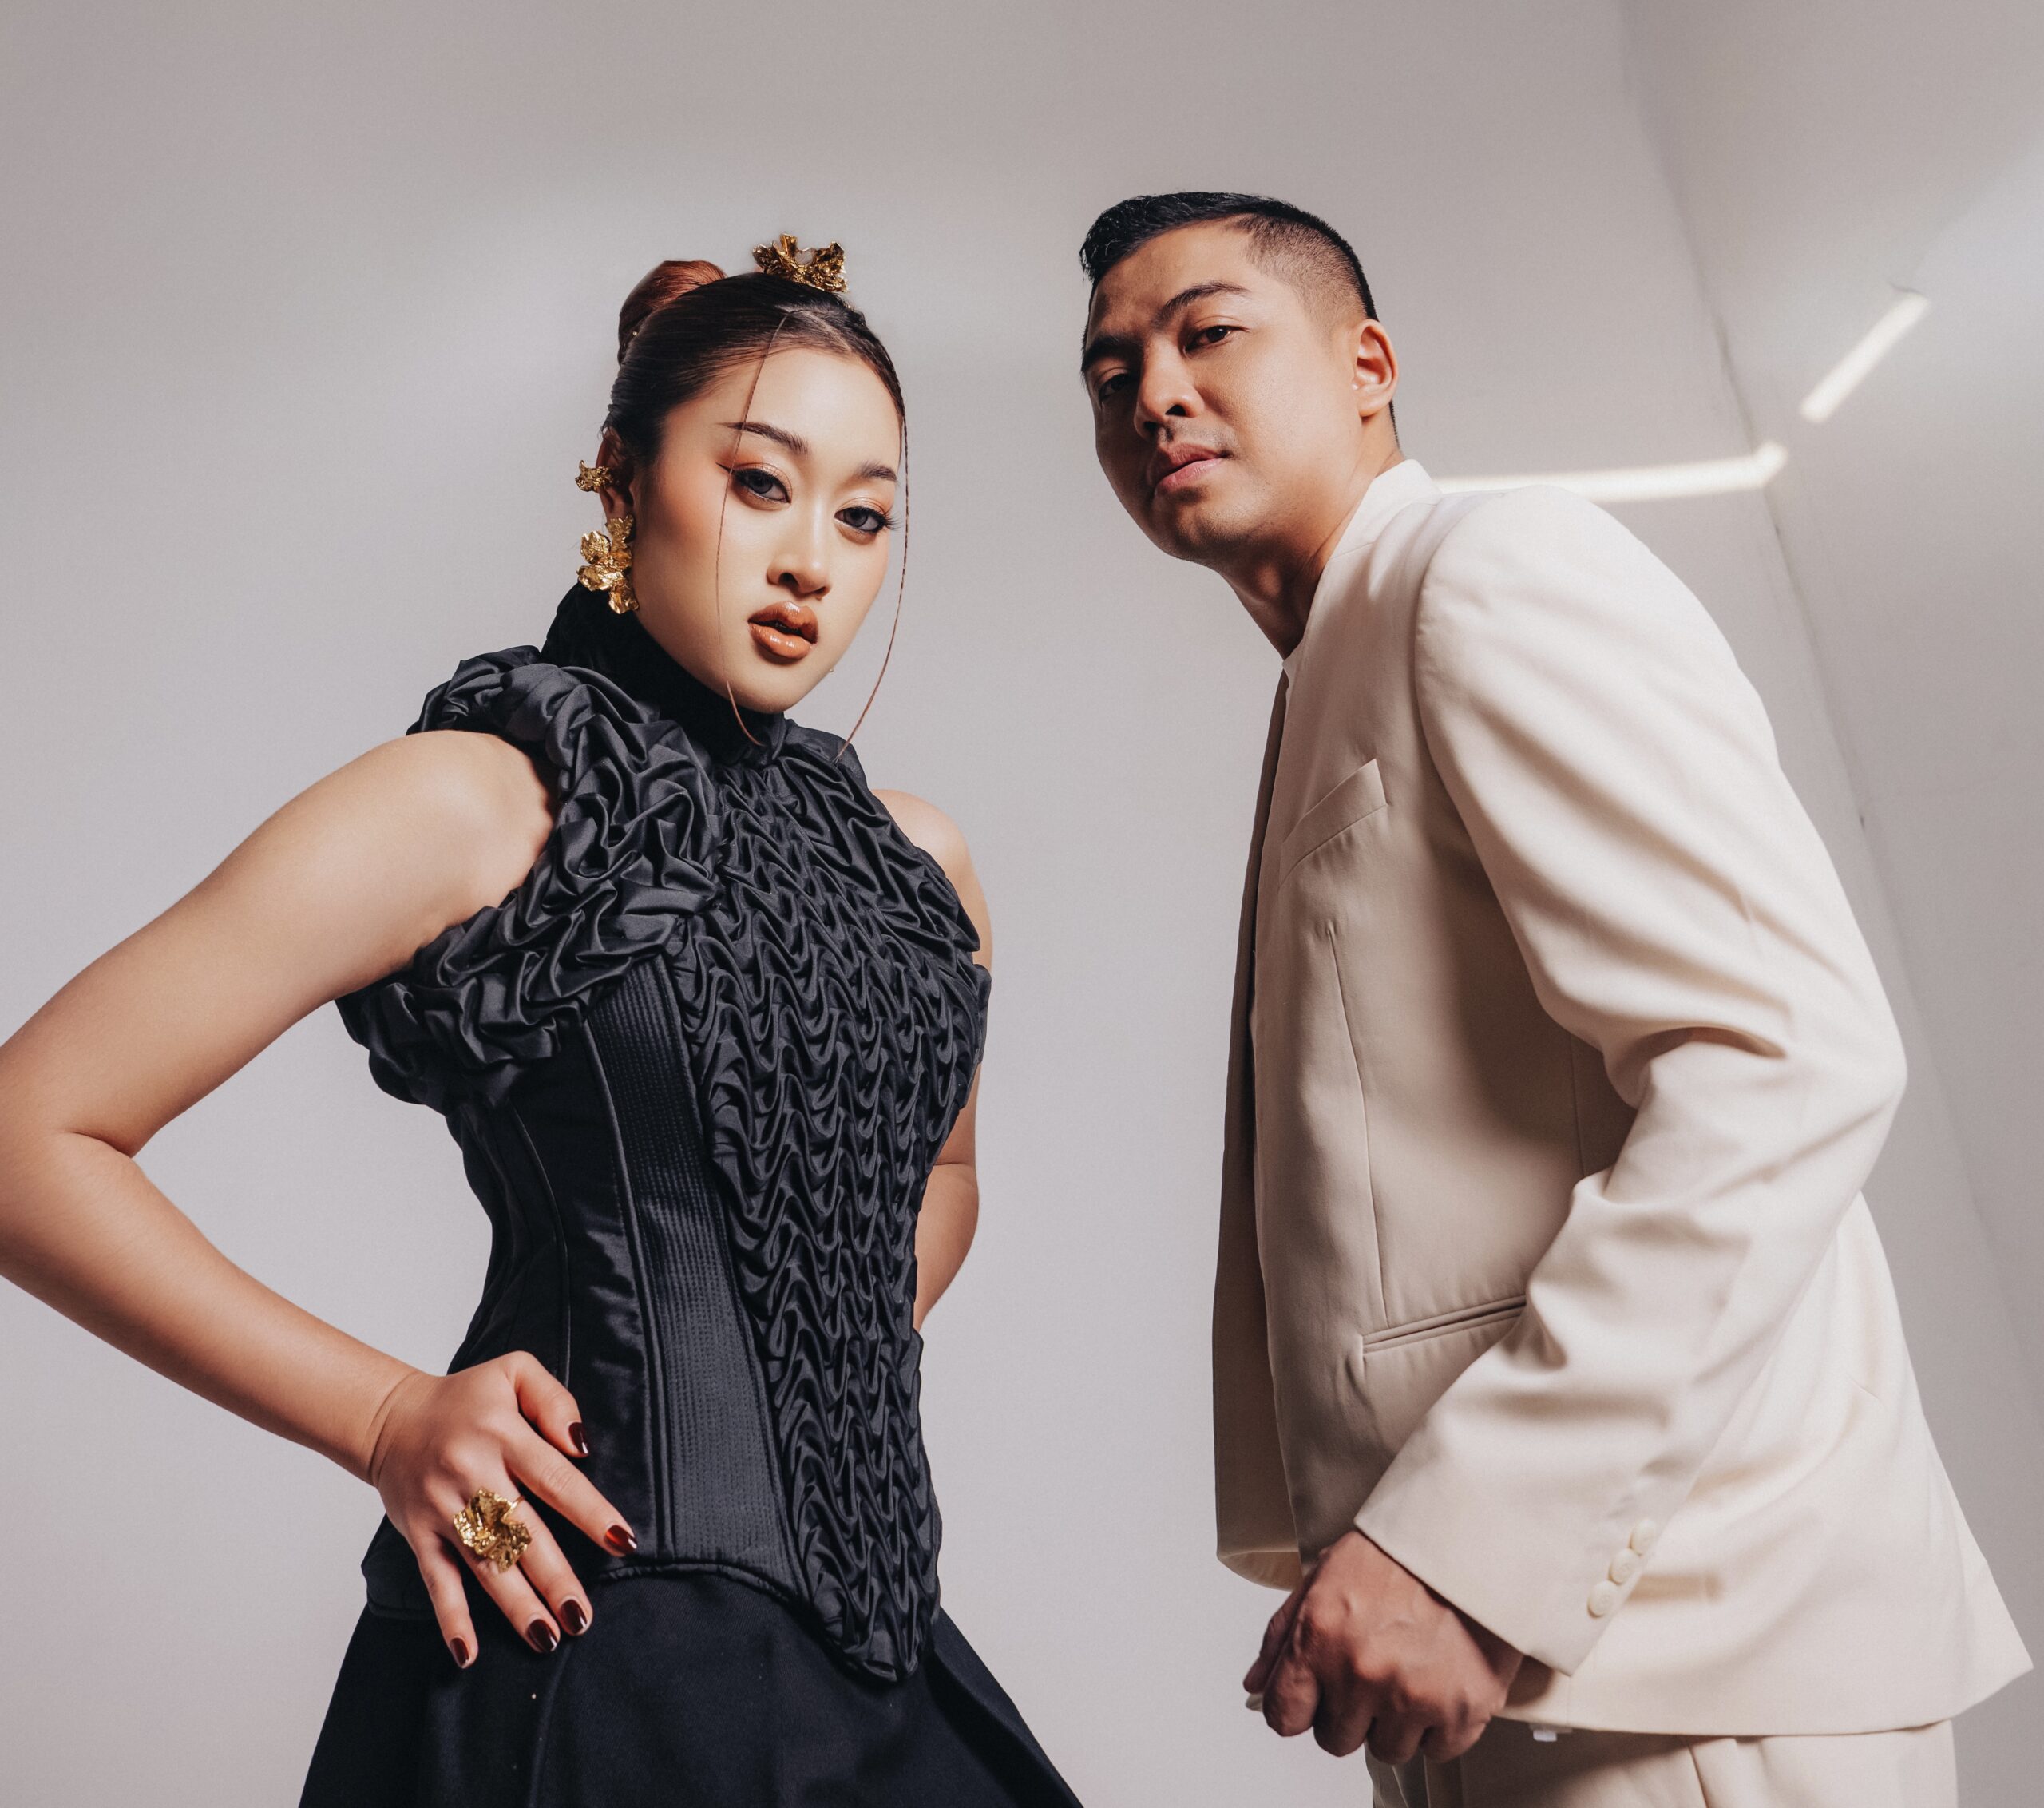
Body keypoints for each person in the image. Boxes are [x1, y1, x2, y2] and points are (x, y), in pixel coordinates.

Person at [0, 239, 1080, 1808]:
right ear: (623, 481)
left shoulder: (917, 863)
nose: (811, 562)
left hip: (883, 1657)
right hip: (592, 1644)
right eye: (758, 483)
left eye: (862, 517)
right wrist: (385, 1415)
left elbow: (947, 1173)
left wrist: (803, 1339)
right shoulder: (483, 797)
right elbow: (28, 1132)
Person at [1076, 191, 2029, 1806]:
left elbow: (1779, 1057)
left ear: (1367, 365)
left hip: (1679, 1654)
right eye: (1111, 374)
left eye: (1207, 332)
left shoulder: (1490, 569)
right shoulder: (1334, 664)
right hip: (1506, 1661)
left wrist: (1463, 1544)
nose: (1153, 393)